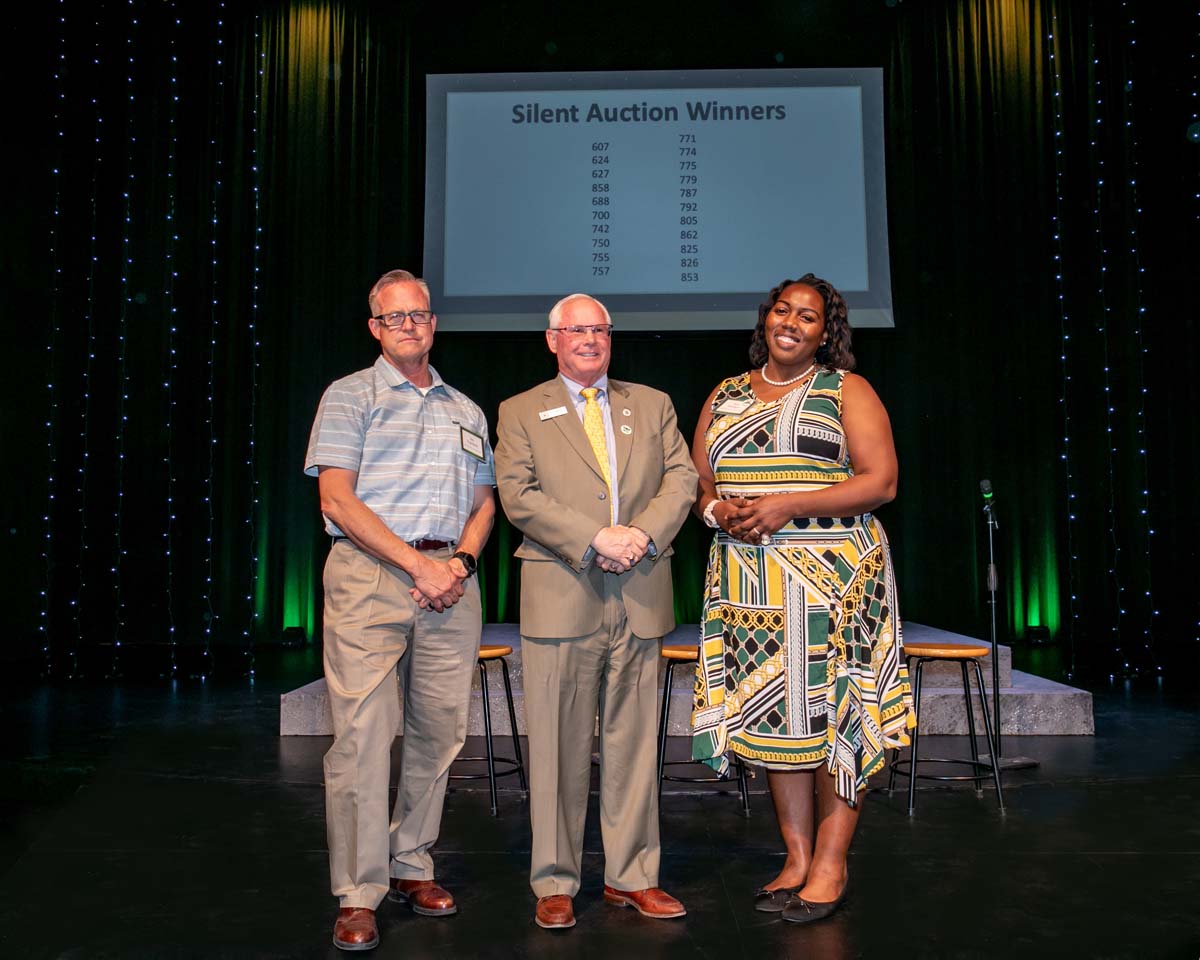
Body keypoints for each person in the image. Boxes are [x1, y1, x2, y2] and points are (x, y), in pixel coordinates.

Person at [690, 274, 915, 924]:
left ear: (826, 331)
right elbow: (699, 478)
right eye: (783, 310)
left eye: (808, 316)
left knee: (839, 715)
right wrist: (714, 512)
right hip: (749, 584)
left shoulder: (846, 389)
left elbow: (882, 481)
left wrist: (789, 504)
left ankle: (831, 863)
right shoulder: (726, 392)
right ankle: (794, 856)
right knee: (774, 718)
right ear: (767, 318)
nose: (791, 322)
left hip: (837, 580)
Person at [304, 269, 496, 951]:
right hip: (371, 577)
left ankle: (411, 863)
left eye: (419, 315)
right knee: (361, 736)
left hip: (451, 582)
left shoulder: (467, 410)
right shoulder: (350, 396)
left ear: (434, 323)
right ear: (375, 329)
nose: (410, 325)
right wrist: (417, 566)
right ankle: (359, 891)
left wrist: (462, 565)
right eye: (395, 317)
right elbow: (337, 500)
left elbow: (483, 504)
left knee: (439, 734)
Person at [495, 293, 698, 930]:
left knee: (635, 743)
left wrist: (639, 535)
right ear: (552, 340)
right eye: (576, 329)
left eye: (600, 329)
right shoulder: (520, 410)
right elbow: (517, 496)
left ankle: (632, 877)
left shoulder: (653, 403)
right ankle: (554, 880)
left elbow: (683, 481)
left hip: (638, 592)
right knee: (556, 745)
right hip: (562, 592)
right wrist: (595, 538)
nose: (590, 339)